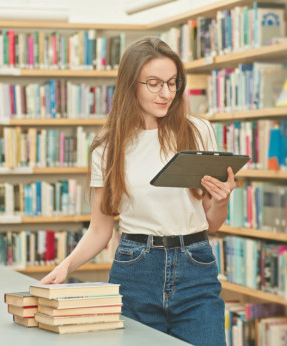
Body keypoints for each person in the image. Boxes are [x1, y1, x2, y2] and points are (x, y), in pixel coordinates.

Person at [39, 36, 234, 346]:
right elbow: (100, 229)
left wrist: (222, 201)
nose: (166, 93)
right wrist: (66, 266)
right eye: (154, 83)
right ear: (131, 84)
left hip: (196, 266)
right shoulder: (108, 146)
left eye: (172, 83)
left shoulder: (198, 130)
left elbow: (211, 222)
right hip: (136, 269)